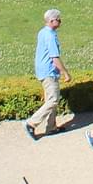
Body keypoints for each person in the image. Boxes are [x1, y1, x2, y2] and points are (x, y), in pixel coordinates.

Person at [24, 8, 68, 140]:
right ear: (52, 21)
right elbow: (54, 58)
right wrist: (65, 73)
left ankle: (51, 127)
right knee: (53, 100)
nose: (60, 21)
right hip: (49, 71)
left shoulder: (42, 32)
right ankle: (31, 123)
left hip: (42, 70)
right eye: (58, 19)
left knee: (50, 99)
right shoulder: (50, 36)